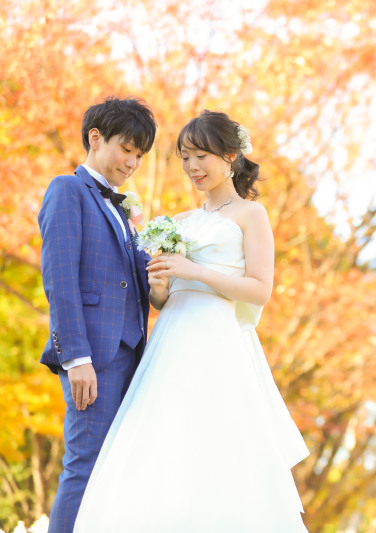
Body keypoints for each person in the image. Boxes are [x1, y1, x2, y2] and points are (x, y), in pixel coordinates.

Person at [73, 110, 309, 531]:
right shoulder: (178, 222)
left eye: (201, 156)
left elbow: (259, 288)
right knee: (161, 445)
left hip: (217, 342)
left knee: (217, 445)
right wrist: (161, 283)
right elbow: (164, 299)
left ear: (230, 157)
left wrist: (193, 270)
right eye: (185, 158)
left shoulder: (252, 216)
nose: (192, 167)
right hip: (171, 341)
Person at [38, 96, 157, 533]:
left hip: (134, 357)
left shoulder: (125, 209)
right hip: (94, 358)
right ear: (95, 137)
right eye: (127, 149)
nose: (133, 162)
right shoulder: (68, 190)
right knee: (85, 466)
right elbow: (60, 279)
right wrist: (76, 358)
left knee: (119, 473)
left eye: (140, 155)